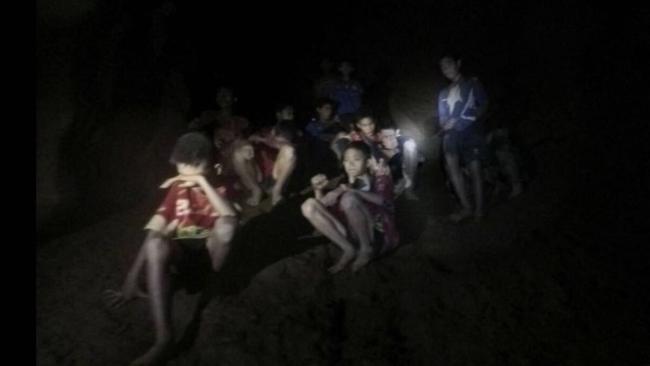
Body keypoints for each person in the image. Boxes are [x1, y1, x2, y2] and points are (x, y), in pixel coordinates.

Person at [104, 132, 238, 365]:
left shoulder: (223, 187)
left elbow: (229, 217)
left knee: (226, 228)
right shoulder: (176, 190)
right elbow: (155, 231)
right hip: (183, 258)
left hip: (211, 259)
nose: (185, 174)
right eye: (182, 168)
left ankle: (213, 286)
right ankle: (164, 339)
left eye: (194, 168)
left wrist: (201, 182)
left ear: (206, 164)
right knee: (156, 241)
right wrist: (131, 278)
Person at [301, 141, 399, 273]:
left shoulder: (379, 179)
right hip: (350, 234)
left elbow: (387, 203)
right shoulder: (343, 185)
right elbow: (321, 209)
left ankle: (366, 249)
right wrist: (318, 190)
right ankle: (348, 249)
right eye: (346, 160)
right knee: (309, 205)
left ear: (368, 162)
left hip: (376, 235)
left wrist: (354, 192)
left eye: (356, 159)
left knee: (349, 199)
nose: (350, 164)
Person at [437, 53, 489, 222]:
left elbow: (483, 105)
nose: (446, 69)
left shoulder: (472, 83)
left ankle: (479, 210)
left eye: (449, 64)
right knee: (452, 169)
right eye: (443, 67)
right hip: (451, 136)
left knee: (475, 168)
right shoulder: (443, 93)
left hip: (470, 132)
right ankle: (467, 207)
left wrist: (460, 121)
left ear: (458, 64)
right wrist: (444, 124)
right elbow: (442, 116)